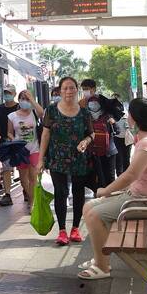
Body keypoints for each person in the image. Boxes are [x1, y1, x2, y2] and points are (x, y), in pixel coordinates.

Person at [78, 98, 147, 280]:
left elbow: (130, 175)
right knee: (89, 207)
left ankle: (102, 266)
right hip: (141, 196)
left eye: (129, 114)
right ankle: (100, 257)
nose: (127, 117)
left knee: (94, 215)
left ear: (134, 118)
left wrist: (106, 190)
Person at [38, 77, 95, 245]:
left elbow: (91, 133)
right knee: (60, 193)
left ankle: (75, 228)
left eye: (71, 88)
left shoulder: (85, 112)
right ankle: (62, 231)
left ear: (76, 90)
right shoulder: (51, 110)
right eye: (65, 88)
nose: (68, 91)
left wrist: (86, 141)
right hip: (57, 158)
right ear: (60, 91)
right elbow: (45, 134)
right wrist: (40, 159)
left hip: (79, 158)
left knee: (78, 193)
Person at [79, 79, 123, 189]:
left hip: (108, 149)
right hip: (92, 150)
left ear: (93, 89)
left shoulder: (105, 103)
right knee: (96, 178)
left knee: (109, 178)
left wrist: (111, 120)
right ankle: (100, 199)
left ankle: (109, 200)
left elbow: (117, 118)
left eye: (87, 89)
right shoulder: (82, 105)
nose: (85, 92)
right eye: (83, 89)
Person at [6, 90, 45, 206]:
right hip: (20, 152)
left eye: (27, 99)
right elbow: (9, 132)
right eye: (23, 99)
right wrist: (13, 140)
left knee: (33, 178)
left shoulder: (34, 113)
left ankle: (32, 203)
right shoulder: (12, 116)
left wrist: (32, 100)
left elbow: (42, 112)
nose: (25, 101)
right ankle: (30, 196)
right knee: (24, 181)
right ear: (19, 100)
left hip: (34, 149)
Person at [0, 84, 20, 206]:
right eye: (5, 93)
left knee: (22, 169)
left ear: (14, 94)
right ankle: (7, 195)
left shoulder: (19, 107)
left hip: (19, 141)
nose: (7, 95)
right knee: (6, 168)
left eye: (9, 93)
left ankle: (27, 192)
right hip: (5, 142)